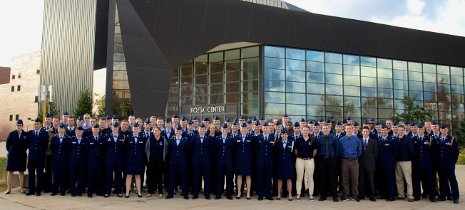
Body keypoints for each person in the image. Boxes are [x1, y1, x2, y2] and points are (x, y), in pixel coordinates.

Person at [436, 124, 460, 204]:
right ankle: (443, 196)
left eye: (445, 129)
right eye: (442, 130)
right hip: (441, 164)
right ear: (440, 130)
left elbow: (456, 153)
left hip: (449, 164)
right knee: (442, 181)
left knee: (452, 181)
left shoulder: (452, 139)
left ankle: (455, 197)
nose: (443, 131)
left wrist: (453, 162)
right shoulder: (438, 139)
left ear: (447, 130)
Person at [411, 124, 435, 202]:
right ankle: (417, 196)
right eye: (419, 129)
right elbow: (412, 152)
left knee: (429, 180)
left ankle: (432, 196)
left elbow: (433, 152)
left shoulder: (429, 138)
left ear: (424, 130)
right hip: (417, 164)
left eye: (421, 129)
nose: (420, 130)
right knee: (416, 181)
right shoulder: (413, 139)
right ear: (416, 130)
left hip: (427, 164)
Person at [26, 118, 49, 196]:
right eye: (35, 124)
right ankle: (31, 190)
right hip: (31, 157)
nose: (36, 125)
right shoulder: (29, 133)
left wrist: (41, 152)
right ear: (34, 125)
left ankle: (38, 190)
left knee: (40, 174)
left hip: (40, 157)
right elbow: (27, 144)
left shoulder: (44, 134)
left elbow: (46, 145)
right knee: (31, 174)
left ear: (40, 125)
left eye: (38, 124)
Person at [338, 124, 362, 202]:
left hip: (354, 161)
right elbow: (340, 150)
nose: (349, 130)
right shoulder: (341, 140)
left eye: (350, 128)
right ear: (345, 130)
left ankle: (355, 195)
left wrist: (355, 157)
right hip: (345, 160)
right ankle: (346, 194)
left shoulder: (357, 139)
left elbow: (359, 150)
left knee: (355, 178)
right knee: (345, 179)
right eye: (347, 129)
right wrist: (344, 157)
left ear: (352, 129)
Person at [316, 124, 339, 202]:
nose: (325, 129)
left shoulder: (333, 138)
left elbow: (336, 149)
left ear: (329, 129)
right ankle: (323, 195)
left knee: (333, 179)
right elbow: (318, 149)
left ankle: (334, 196)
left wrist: (333, 158)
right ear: (322, 129)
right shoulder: (319, 138)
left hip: (331, 160)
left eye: (327, 128)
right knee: (322, 178)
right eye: (324, 128)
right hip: (322, 160)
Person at [5, 119, 28, 194]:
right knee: (10, 171)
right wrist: (11, 151)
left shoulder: (25, 134)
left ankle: (21, 188)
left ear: (22, 126)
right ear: (16, 126)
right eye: (18, 125)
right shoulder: (11, 134)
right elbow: (7, 145)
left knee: (21, 172)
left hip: (21, 156)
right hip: (12, 155)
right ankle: (9, 189)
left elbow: (27, 145)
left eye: (20, 125)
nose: (19, 126)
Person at [166, 126, 190, 199]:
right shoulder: (171, 140)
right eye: (177, 131)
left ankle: (185, 194)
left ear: (182, 132)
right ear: (175, 132)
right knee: (171, 178)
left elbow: (187, 152)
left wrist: (186, 162)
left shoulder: (185, 140)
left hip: (182, 162)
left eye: (180, 131)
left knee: (184, 178)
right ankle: (170, 194)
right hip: (173, 162)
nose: (178, 132)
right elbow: (169, 152)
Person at [123, 123, 146, 198]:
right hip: (130, 160)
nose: (136, 130)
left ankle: (139, 192)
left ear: (139, 129)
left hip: (139, 160)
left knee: (138, 176)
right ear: (132, 129)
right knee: (129, 175)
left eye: (137, 128)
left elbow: (144, 150)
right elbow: (125, 149)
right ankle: (127, 192)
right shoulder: (128, 137)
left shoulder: (142, 137)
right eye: (134, 128)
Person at [294, 125, 316, 201]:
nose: (305, 132)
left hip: (309, 160)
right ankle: (298, 194)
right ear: (302, 131)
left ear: (309, 131)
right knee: (299, 178)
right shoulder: (298, 140)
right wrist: (299, 156)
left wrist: (310, 157)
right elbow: (295, 150)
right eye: (304, 130)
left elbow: (315, 150)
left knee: (310, 178)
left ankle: (311, 194)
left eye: (307, 130)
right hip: (300, 160)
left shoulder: (312, 139)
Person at [145, 126, 168, 198]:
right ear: (153, 132)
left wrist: (164, 159)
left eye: (157, 130)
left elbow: (166, 149)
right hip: (151, 161)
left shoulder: (163, 139)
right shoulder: (150, 139)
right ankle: (150, 191)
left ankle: (160, 192)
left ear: (160, 131)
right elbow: (146, 149)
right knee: (150, 176)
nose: (156, 132)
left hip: (160, 161)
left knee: (159, 177)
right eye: (155, 131)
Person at [191, 124, 212, 199]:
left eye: (203, 129)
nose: (202, 130)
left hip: (206, 161)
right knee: (196, 178)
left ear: (205, 130)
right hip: (196, 161)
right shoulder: (194, 137)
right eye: (200, 129)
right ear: (198, 130)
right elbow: (191, 148)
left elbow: (211, 150)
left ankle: (207, 194)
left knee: (207, 178)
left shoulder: (208, 137)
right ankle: (195, 193)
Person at [104, 122, 125, 198]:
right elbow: (104, 148)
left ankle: (118, 191)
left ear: (118, 128)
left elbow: (123, 148)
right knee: (108, 176)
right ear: (111, 128)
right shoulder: (107, 136)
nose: (115, 129)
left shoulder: (122, 136)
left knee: (118, 176)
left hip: (119, 160)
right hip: (109, 159)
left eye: (116, 127)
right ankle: (107, 191)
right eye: (114, 127)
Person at [214, 124, 234, 200]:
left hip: (228, 161)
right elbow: (215, 150)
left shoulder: (230, 139)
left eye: (226, 129)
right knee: (219, 177)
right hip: (219, 161)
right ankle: (218, 193)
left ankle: (229, 193)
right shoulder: (217, 138)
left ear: (228, 130)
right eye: (223, 129)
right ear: (221, 130)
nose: (224, 131)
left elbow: (232, 150)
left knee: (229, 178)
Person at [395, 125, 415, 202]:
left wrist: (407, 158)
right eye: (399, 130)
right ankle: (401, 195)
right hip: (397, 162)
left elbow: (412, 151)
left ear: (404, 131)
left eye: (402, 130)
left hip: (406, 162)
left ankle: (410, 195)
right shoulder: (396, 139)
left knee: (408, 179)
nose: (400, 131)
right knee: (399, 179)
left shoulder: (407, 139)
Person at [358, 126, 379, 201]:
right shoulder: (359, 141)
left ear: (369, 132)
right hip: (361, 164)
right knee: (361, 180)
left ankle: (372, 195)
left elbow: (376, 154)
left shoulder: (374, 142)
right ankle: (361, 194)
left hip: (370, 164)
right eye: (364, 131)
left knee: (371, 180)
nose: (365, 133)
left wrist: (372, 162)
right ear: (362, 132)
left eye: (367, 131)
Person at [256, 122, 275, 201]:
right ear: (262, 129)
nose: (265, 129)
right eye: (264, 128)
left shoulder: (272, 137)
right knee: (260, 178)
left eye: (267, 128)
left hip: (269, 161)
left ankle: (268, 194)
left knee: (268, 178)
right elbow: (256, 150)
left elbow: (274, 149)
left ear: (269, 129)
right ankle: (260, 194)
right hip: (260, 161)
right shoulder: (258, 137)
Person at [234, 123, 254, 200]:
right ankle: (239, 192)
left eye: (245, 128)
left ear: (247, 129)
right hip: (239, 160)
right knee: (239, 176)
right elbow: (234, 149)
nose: (243, 130)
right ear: (240, 129)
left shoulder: (251, 137)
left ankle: (248, 193)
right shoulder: (237, 137)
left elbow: (253, 149)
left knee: (248, 176)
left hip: (248, 160)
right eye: (242, 128)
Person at [50, 123, 70, 196]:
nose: (61, 130)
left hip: (63, 160)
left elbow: (68, 150)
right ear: (57, 130)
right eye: (60, 129)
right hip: (55, 160)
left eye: (62, 129)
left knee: (63, 175)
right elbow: (52, 148)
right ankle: (54, 191)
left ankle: (62, 191)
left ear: (64, 130)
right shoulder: (54, 138)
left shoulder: (67, 138)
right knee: (55, 175)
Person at [378, 125, 397, 201]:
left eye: (385, 130)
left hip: (389, 163)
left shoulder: (391, 139)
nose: (383, 132)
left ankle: (391, 195)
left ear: (387, 131)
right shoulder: (379, 139)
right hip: (381, 163)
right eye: (382, 131)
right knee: (383, 180)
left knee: (390, 180)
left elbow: (395, 152)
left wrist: (392, 161)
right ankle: (384, 194)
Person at [68, 126, 87, 197]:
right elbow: (68, 150)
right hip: (72, 161)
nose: (79, 132)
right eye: (78, 131)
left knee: (80, 177)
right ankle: (72, 191)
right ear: (75, 131)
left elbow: (86, 151)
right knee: (72, 176)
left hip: (81, 162)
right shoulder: (71, 139)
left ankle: (79, 191)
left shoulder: (85, 140)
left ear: (82, 132)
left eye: (80, 131)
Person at [86, 124, 104, 198]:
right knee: (90, 177)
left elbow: (104, 150)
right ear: (92, 130)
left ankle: (99, 191)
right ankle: (90, 191)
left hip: (99, 161)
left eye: (97, 129)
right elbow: (86, 150)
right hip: (91, 161)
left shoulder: (102, 138)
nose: (96, 130)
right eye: (94, 129)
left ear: (99, 130)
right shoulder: (88, 138)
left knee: (99, 176)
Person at [276, 131, 294, 201]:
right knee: (280, 179)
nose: (284, 135)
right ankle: (278, 194)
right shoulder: (278, 143)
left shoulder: (291, 142)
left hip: (288, 163)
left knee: (289, 179)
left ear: (287, 135)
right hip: (280, 163)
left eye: (285, 134)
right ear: (281, 135)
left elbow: (293, 153)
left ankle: (290, 194)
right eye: (283, 134)